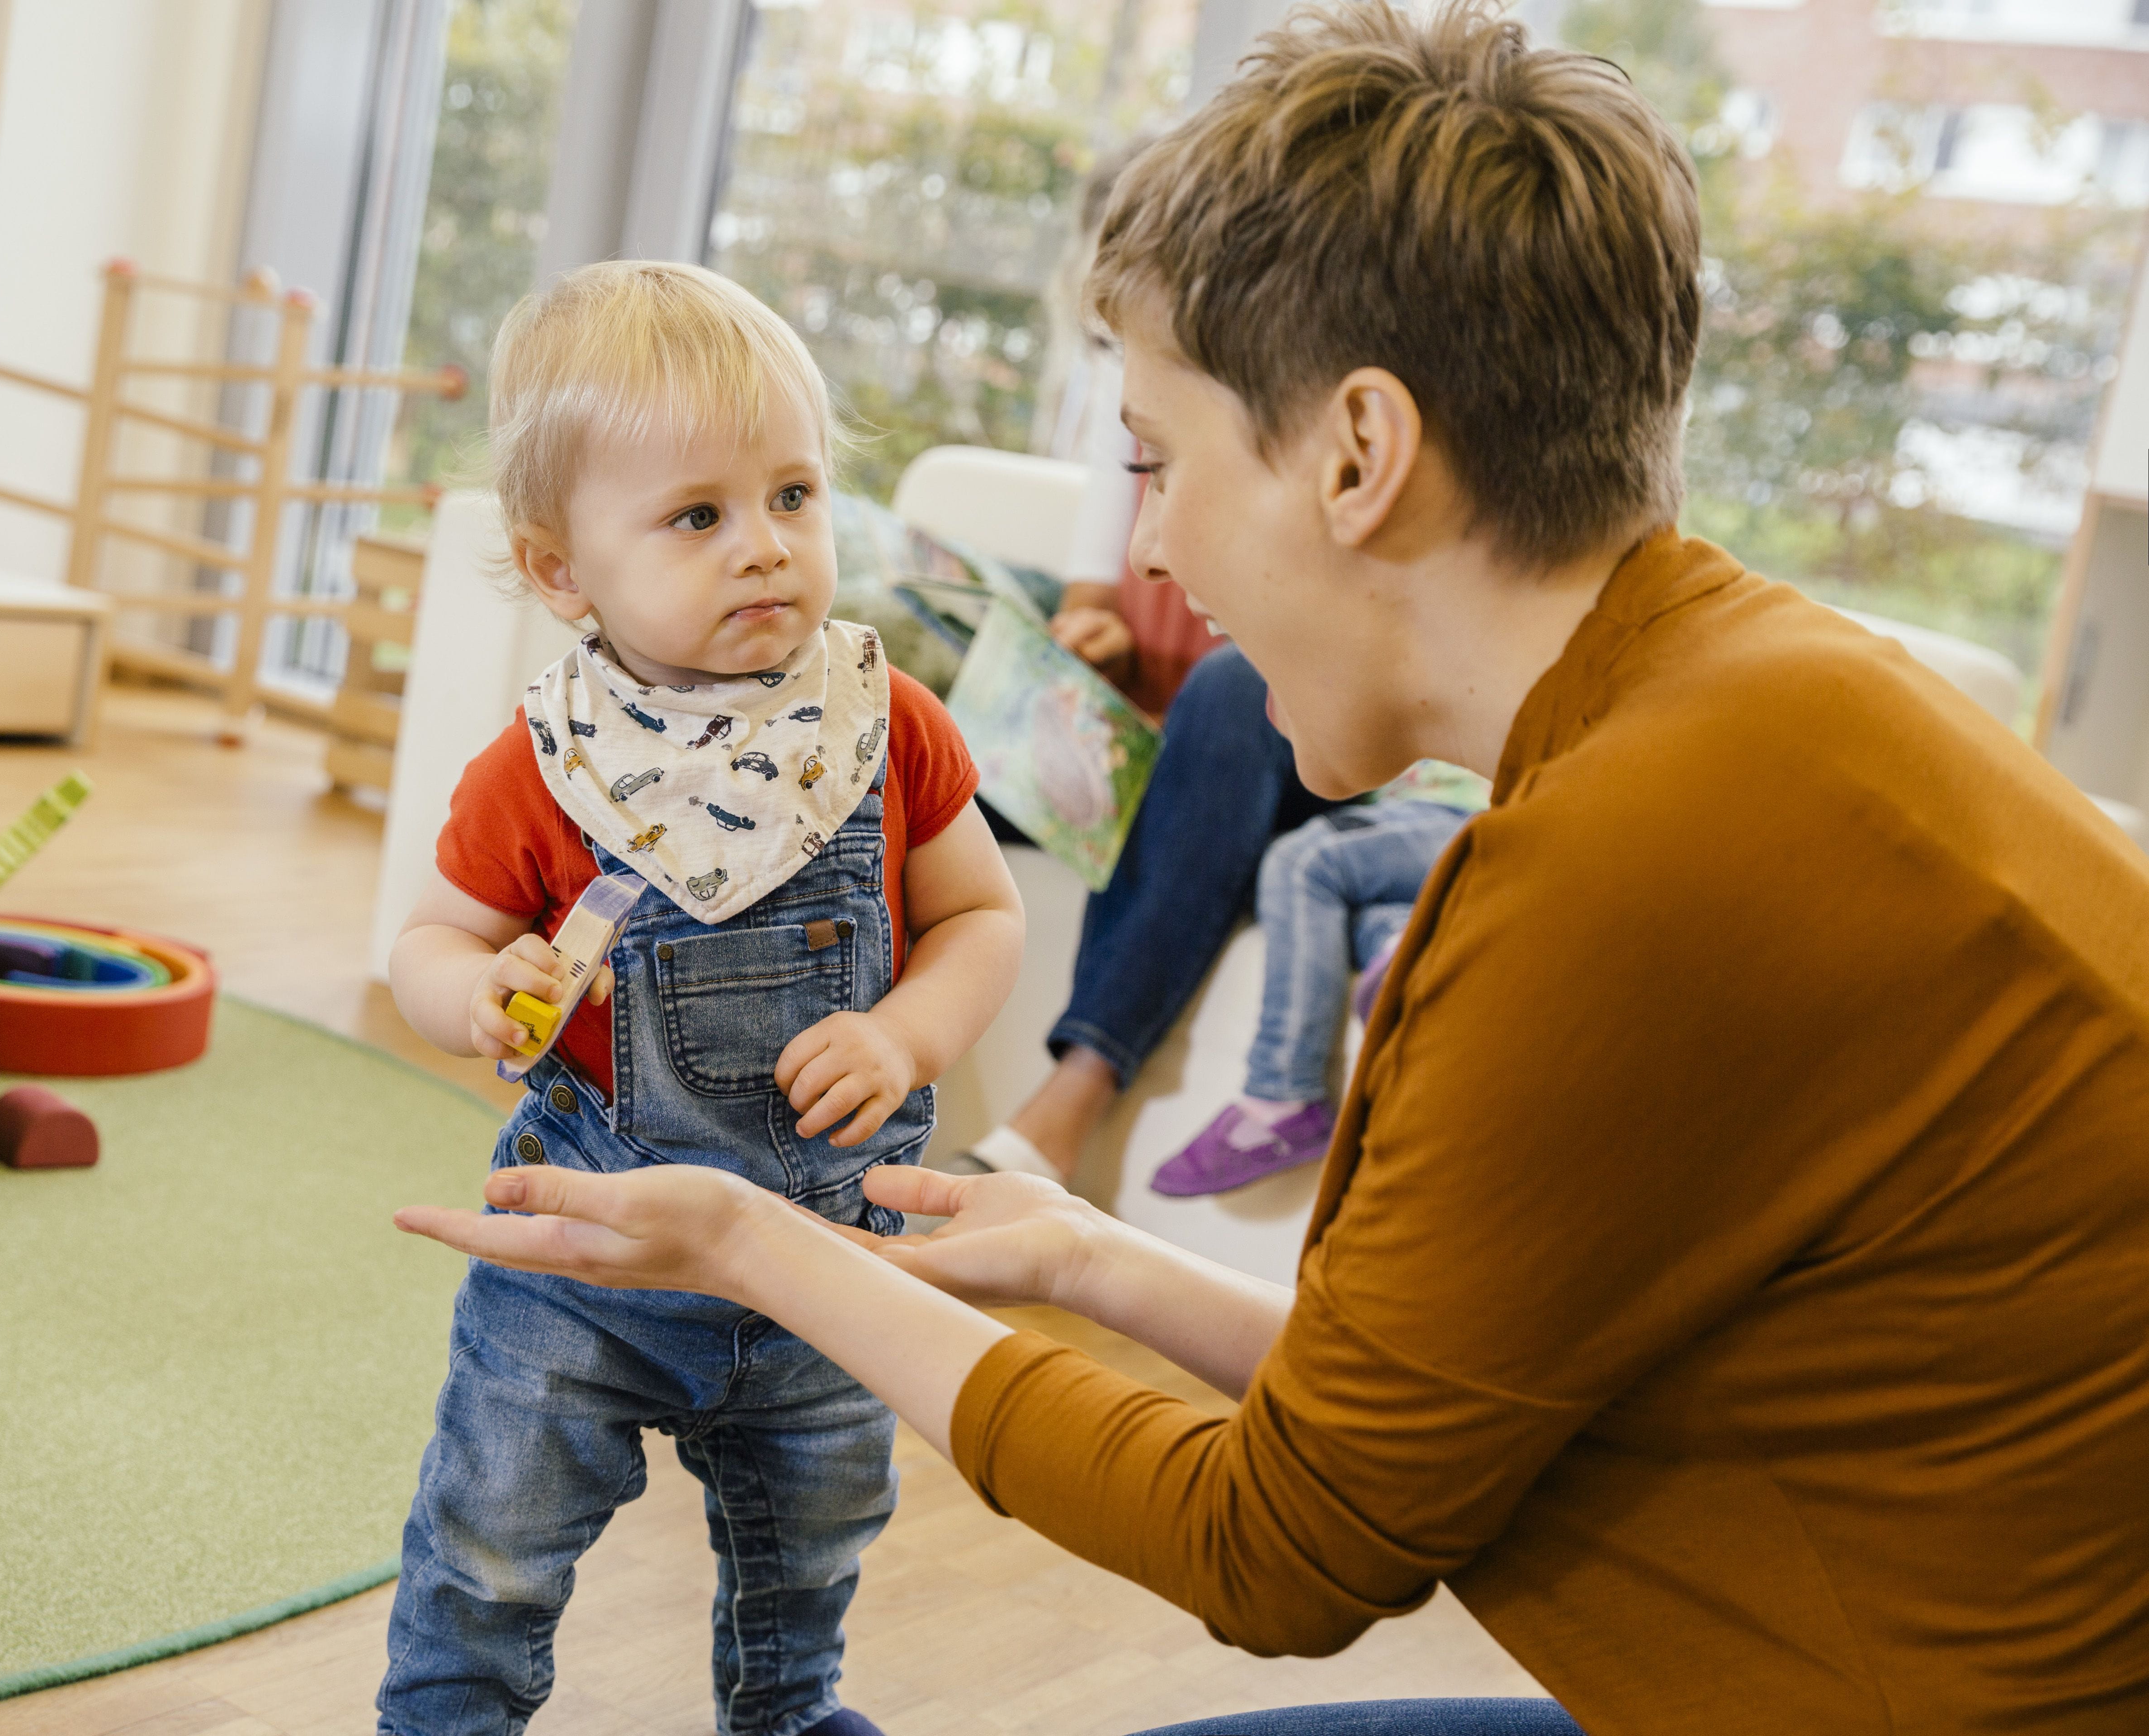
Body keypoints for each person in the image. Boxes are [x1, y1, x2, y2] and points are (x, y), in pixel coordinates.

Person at [391, 6, 2149, 1733]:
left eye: (1157, 460)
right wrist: (1088, 1259)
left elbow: (1282, 1549)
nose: (1146, 543)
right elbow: (1396, 1423)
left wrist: (754, 1246)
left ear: (1359, 455)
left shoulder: (1615, 875)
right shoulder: (1778, 696)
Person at [378, 260, 1024, 1736]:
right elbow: (427, 942)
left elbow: (983, 914)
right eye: (698, 516)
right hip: (589, 1271)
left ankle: (789, 1717)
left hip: (832, 1265)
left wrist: (907, 1030)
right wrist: (480, 991)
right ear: (562, 572)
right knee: (489, 1548)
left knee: (814, 1556)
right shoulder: (546, 765)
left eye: (794, 496)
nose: (766, 551)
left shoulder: (881, 722)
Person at [955, 147, 1351, 1192]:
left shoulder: (1281, 400)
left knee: (1230, 694)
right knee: (935, 772)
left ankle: (1064, 1108)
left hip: (1257, 749)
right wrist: (1092, 635)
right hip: (1144, 727)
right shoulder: (1127, 399)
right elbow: (1102, 589)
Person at [1151, 769, 1483, 1197]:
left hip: (1475, 816)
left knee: (1302, 859)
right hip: (1415, 820)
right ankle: (1404, 949)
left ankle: (1281, 1092)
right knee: (1345, 908)